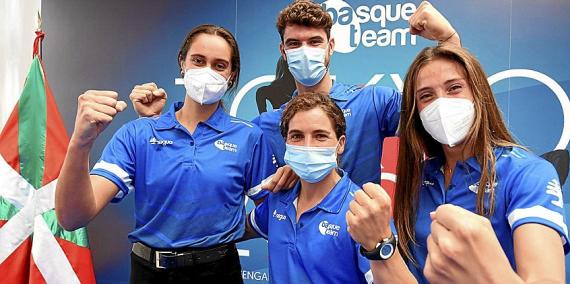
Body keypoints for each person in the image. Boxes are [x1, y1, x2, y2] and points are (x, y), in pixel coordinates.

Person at [131, 0, 461, 189]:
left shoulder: (374, 102)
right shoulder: (265, 125)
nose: (305, 51)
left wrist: (449, 41)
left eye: (314, 42)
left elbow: (443, 123)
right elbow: (206, 171)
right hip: (296, 255)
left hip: (361, 252)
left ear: (330, 47)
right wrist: (159, 123)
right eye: (294, 43)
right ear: (283, 51)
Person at [55, 24, 275, 283]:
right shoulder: (137, 133)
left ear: (231, 74)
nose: (207, 71)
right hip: (149, 273)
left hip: (218, 272)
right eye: (198, 60)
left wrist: (236, 228)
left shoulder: (249, 137)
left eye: (219, 65)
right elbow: (72, 216)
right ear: (182, 63)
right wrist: (81, 144)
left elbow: (275, 213)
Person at [346, 45, 570, 283]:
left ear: (478, 93)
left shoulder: (527, 173)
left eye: (454, 88)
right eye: (426, 96)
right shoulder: (417, 179)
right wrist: (378, 244)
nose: (441, 104)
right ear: (416, 111)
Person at [244, 93, 397, 283]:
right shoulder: (277, 199)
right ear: (286, 142)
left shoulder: (361, 212)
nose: (308, 146)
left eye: (320, 136)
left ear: (340, 144)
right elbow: (244, 227)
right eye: (297, 136)